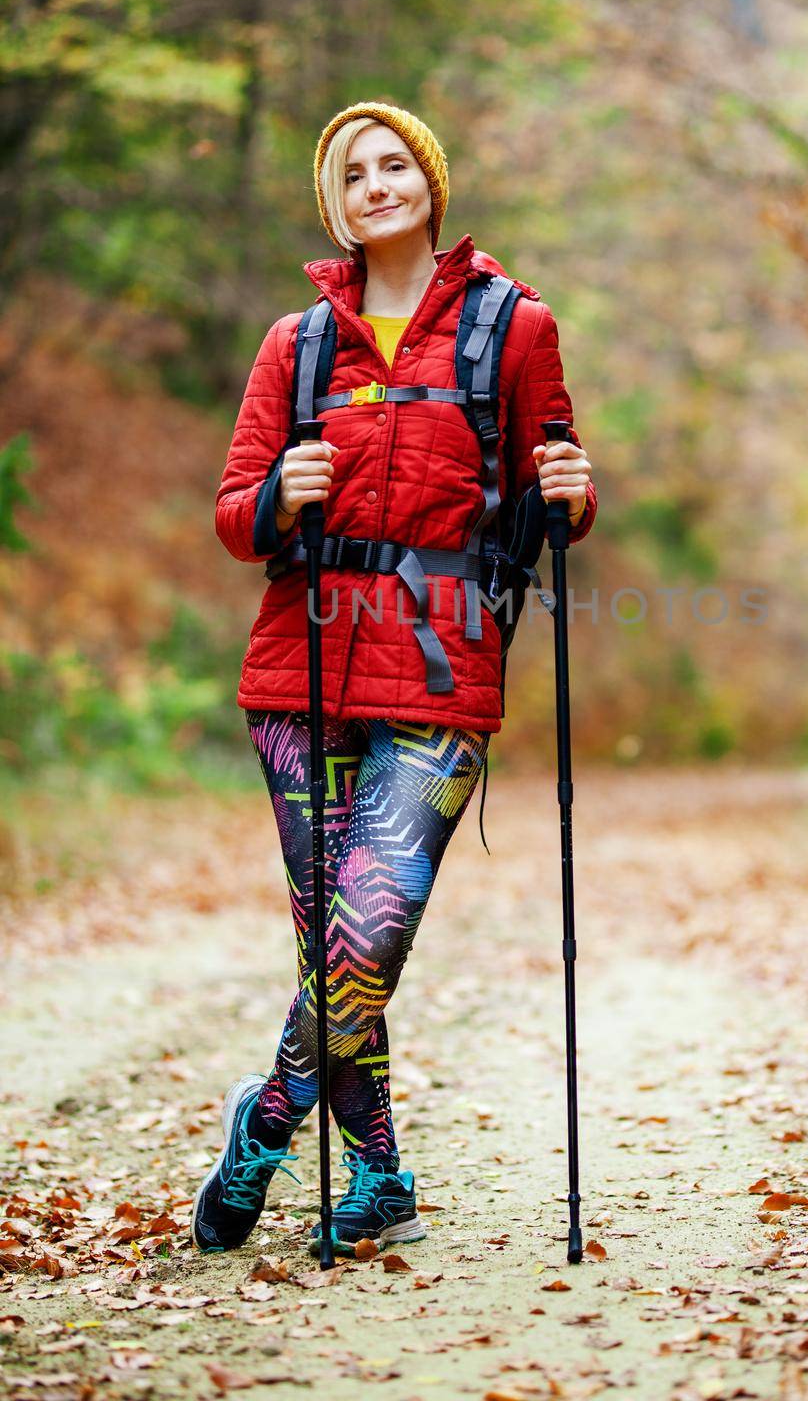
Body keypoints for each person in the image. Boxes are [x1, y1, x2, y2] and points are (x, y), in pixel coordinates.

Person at [196, 100, 597, 1257]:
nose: (377, 183)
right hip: (299, 672)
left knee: (365, 938)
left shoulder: (512, 328)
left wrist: (569, 488)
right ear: (336, 204)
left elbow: (551, 493)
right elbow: (232, 516)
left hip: (440, 676)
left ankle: (265, 1126)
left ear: (428, 178)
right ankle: (377, 1176)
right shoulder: (295, 344)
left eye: (394, 164)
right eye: (354, 173)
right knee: (335, 943)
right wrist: (281, 494)